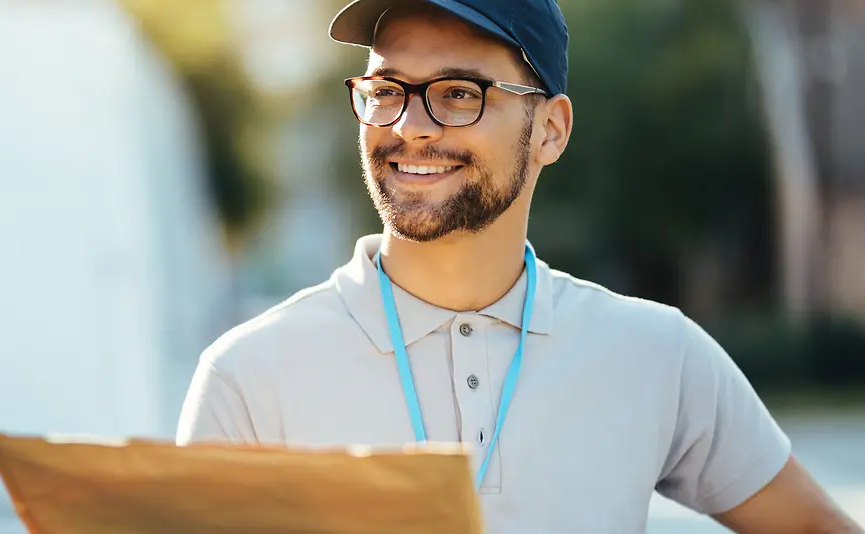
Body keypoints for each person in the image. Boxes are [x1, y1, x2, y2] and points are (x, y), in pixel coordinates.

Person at [175, 0, 863, 532]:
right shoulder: (251, 377)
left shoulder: (658, 356)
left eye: (458, 93)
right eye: (387, 89)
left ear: (552, 130)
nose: (410, 125)